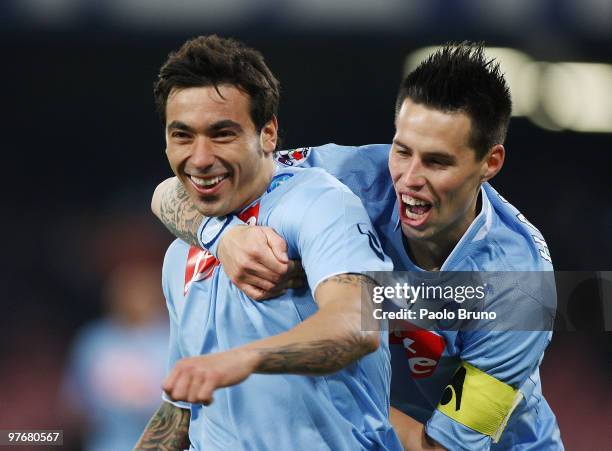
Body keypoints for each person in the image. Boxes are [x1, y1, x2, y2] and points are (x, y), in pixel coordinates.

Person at [152, 43, 563, 450]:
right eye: (402, 151)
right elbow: (177, 188)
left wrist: (331, 400)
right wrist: (221, 237)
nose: (409, 179)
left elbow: (441, 447)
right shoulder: (350, 176)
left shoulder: (520, 291)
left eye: (437, 162)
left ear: (490, 163)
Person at [136, 35, 403, 451]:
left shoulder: (318, 202)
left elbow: (358, 324)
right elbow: (180, 410)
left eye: (222, 133)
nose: (200, 157)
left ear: (268, 133)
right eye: (182, 136)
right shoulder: (181, 253)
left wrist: (243, 359)